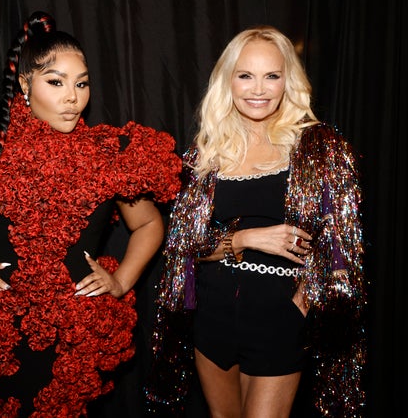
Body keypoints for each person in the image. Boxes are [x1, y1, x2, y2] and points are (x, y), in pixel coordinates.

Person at [0, 11, 182, 418]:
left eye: (82, 83)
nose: (73, 97)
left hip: (76, 334)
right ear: (25, 86)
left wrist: (120, 280)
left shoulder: (110, 156)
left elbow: (150, 223)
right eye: (56, 82)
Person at [145, 25, 366, 417]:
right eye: (245, 75)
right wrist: (246, 237)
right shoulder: (206, 154)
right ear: (227, 81)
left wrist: (302, 305)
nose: (258, 89)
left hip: (279, 314)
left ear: (288, 82)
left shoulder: (319, 148)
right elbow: (186, 246)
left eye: (272, 76)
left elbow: (342, 249)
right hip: (212, 313)